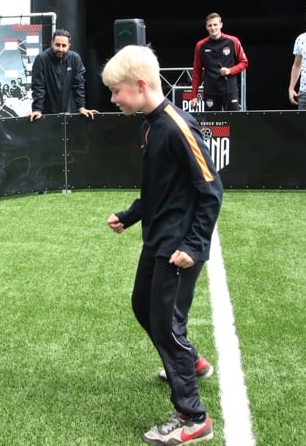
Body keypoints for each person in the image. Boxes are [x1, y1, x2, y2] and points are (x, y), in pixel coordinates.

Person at [103, 45, 223, 445]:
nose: (113, 98)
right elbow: (157, 190)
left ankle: (193, 417)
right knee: (144, 307)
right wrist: (131, 215)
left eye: (117, 91)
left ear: (139, 85)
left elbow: (211, 190)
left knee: (167, 326)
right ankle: (192, 362)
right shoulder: (149, 125)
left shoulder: (176, 126)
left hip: (178, 248)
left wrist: (193, 245)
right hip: (155, 239)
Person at [28, 28, 99, 121]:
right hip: (44, 113)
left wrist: (81, 107)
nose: (60, 49)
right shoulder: (42, 59)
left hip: (66, 111)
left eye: (64, 45)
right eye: (57, 45)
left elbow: (78, 85)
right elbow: (38, 86)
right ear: (51, 43)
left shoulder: (75, 58)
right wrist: (37, 109)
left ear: (69, 45)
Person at [191, 13, 248, 111]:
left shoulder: (233, 41)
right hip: (210, 90)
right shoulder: (200, 45)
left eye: (215, 24)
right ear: (206, 27)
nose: (213, 28)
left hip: (230, 89)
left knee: (233, 122)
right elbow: (197, 71)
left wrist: (230, 70)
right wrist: (193, 95)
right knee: (212, 124)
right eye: (210, 25)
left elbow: (244, 62)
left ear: (221, 25)